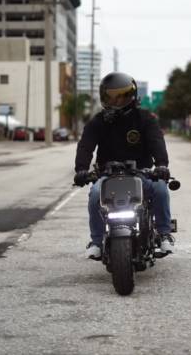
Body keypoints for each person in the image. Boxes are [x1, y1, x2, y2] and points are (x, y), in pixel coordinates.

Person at [73, 72, 175, 260]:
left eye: (121, 95)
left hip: (141, 173)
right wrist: (81, 169)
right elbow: (86, 145)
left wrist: (161, 165)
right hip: (108, 175)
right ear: (104, 97)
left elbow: (156, 142)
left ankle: (163, 233)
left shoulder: (145, 119)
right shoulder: (98, 121)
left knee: (161, 189)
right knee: (95, 195)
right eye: (111, 96)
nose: (117, 101)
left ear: (131, 96)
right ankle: (96, 241)